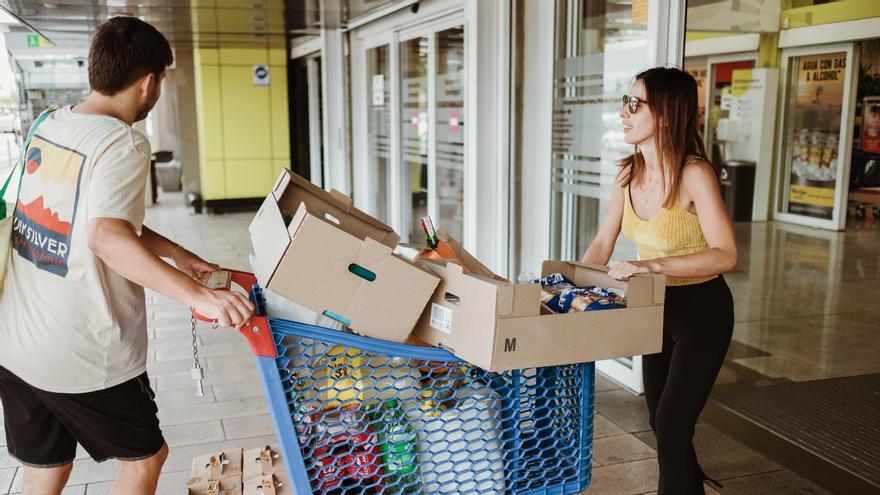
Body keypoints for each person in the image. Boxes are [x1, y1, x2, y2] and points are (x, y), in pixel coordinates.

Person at [0, 17, 254, 495]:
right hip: (79, 351)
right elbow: (107, 238)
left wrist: (178, 254)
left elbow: (94, 218)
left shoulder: (50, 123)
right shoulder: (121, 142)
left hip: (16, 341)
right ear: (148, 82)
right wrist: (200, 296)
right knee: (145, 460)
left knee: (46, 466)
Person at [582, 67, 738, 495]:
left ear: (666, 114)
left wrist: (651, 265)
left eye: (635, 103)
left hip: (703, 312)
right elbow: (602, 243)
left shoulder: (694, 174)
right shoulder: (627, 173)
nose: (623, 111)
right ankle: (694, 485)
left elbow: (726, 254)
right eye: (625, 100)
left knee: (671, 422)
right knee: (660, 421)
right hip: (656, 310)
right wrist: (570, 286)